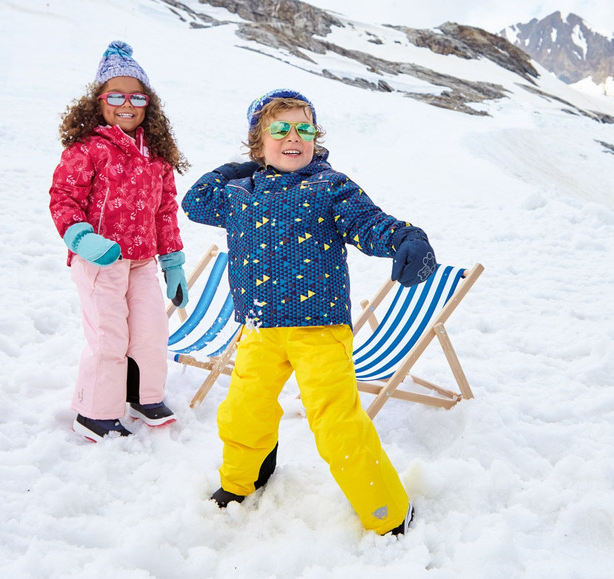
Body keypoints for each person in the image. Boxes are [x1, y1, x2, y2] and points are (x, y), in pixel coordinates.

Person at [181, 88, 437, 535]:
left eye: (305, 128)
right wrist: (242, 167)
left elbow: (368, 223)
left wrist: (406, 238)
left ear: (317, 138)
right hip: (258, 329)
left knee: (336, 424)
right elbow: (195, 201)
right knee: (243, 412)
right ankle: (243, 481)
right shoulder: (239, 191)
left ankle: (389, 512)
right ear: (257, 141)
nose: (294, 136)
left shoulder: (330, 186)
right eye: (279, 129)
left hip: (320, 329)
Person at [49, 41, 190, 441]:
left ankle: (142, 395)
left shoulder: (156, 155)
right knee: (109, 334)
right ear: (98, 101)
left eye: (137, 96)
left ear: (149, 103)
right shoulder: (88, 148)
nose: (126, 103)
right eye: (116, 95)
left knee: (150, 330)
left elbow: (165, 211)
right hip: (99, 261)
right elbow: (64, 198)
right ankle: (93, 412)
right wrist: (82, 238)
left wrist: (173, 262)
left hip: (143, 260)